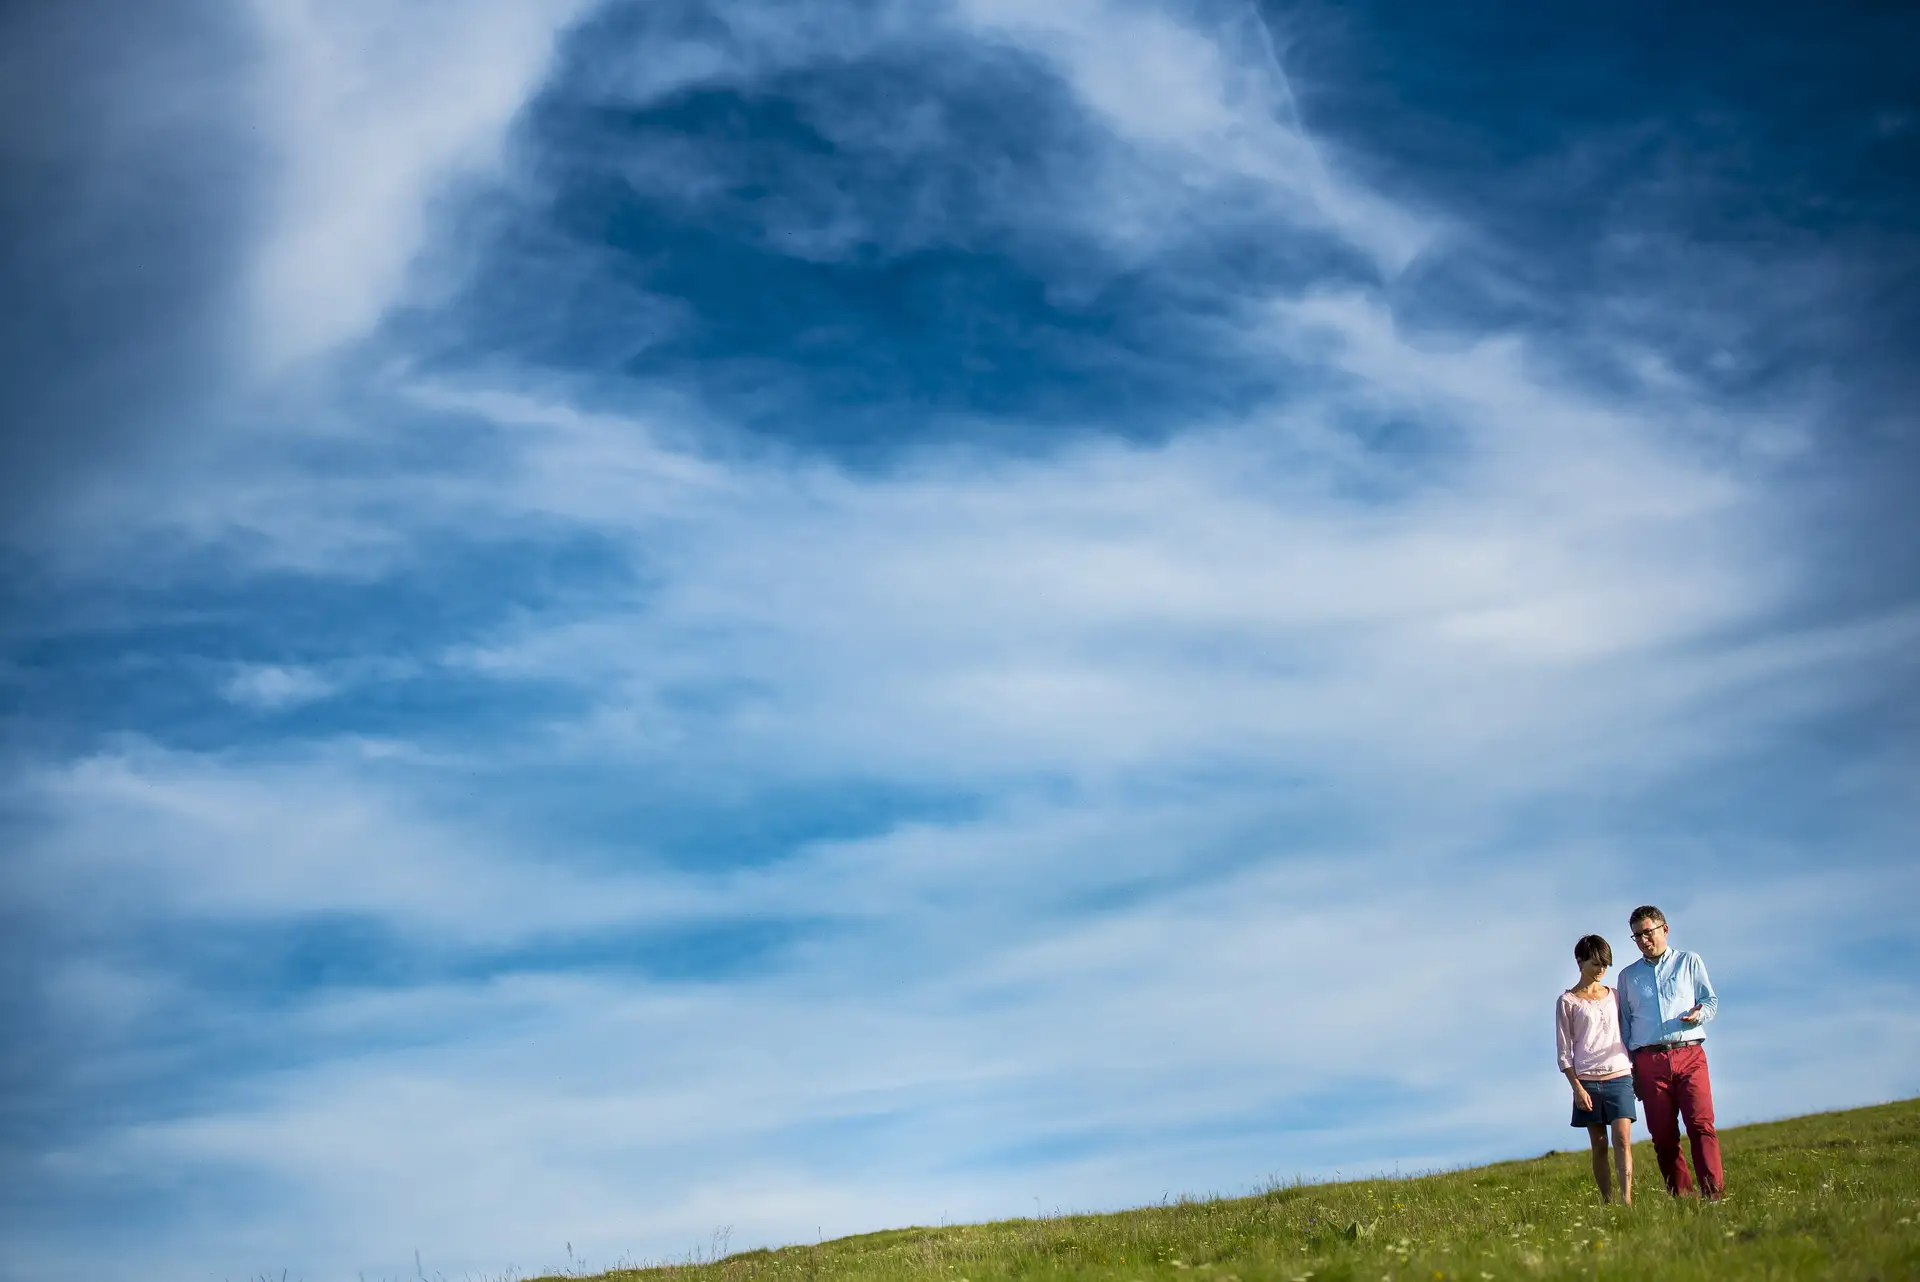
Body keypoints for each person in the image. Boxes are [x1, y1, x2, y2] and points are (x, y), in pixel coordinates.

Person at [1615, 905, 1723, 1199]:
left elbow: (1709, 1000)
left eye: (1647, 932)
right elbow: (1624, 1025)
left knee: (1701, 1124)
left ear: (1664, 929)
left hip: (1689, 1054)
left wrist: (1699, 1013)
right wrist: (1631, 1069)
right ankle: (1683, 1197)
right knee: (1663, 1136)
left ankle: (1713, 1195)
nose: (1643, 940)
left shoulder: (1689, 962)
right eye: (1636, 936)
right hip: (1649, 1060)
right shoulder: (1627, 977)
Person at [1556, 934, 1635, 1203]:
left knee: (1622, 1139)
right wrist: (1576, 1088)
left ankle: (1627, 1201)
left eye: (1605, 964)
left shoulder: (1615, 996)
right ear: (1580, 961)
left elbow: (1627, 1032)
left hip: (1620, 1075)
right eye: (1595, 963)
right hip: (1587, 1081)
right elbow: (1564, 1051)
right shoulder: (1567, 1002)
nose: (1601, 969)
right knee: (1600, 1145)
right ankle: (1608, 1201)